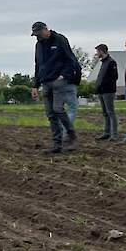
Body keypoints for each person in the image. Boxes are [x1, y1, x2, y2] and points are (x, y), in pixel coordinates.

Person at [30, 22, 80, 154]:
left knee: (58, 110)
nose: (37, 37)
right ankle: (57, 144)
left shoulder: (60, 40)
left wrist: (64, 75)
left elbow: (71, 60)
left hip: (59, 81)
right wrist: (35, 85)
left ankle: (72, 135)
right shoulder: (38, 45)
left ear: (46, 29)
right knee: (51, 115)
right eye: (35, 35)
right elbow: (38, 65)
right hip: (46, 82)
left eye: (39, 33)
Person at [93, 44, 119, 140]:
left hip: (108, 91)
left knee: (110, 112)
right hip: (101, 91)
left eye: (97, 51)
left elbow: (114, 77)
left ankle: (114, 134)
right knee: (105, 112)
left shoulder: (111, 62)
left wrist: (103, 85)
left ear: (101, 51)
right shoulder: (104, 62)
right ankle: (107, 132)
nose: (97, 53)